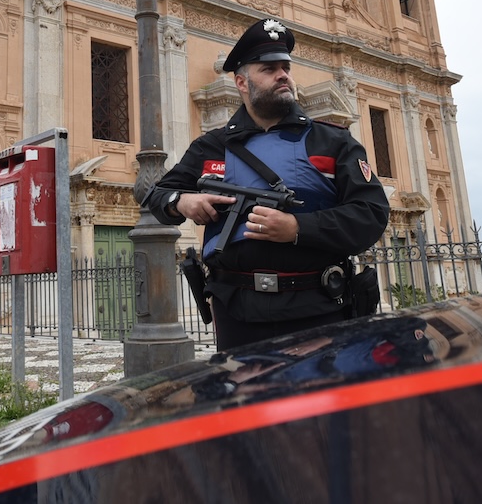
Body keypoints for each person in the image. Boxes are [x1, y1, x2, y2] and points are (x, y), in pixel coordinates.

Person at [147, 17, 391, 351]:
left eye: (285, 68)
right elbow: (157, 195)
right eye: (268, 69)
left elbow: (372, 214)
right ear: (242, 83)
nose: (283, 75)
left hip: (319, 308)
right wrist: (183, 202)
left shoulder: (332, 142)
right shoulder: (211, 146)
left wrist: (297, 228)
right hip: (237, 314)